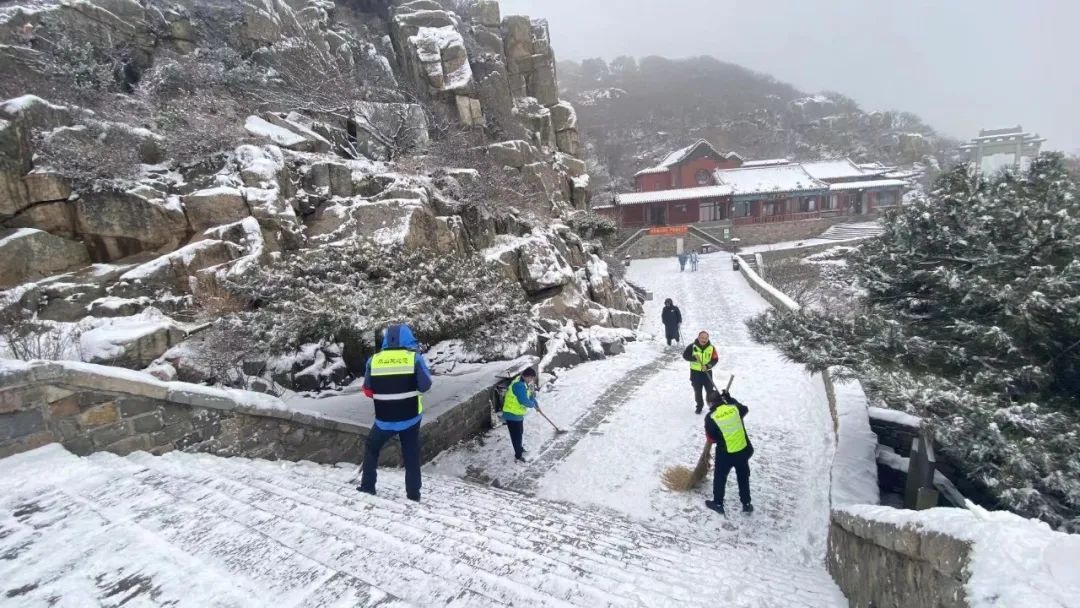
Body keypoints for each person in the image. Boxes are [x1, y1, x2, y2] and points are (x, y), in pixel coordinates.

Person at [358, 324, 433, 502]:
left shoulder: (373, 360)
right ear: (408, 339)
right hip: (410, 417)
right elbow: (426, 385)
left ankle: (368, 487)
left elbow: (368, 391)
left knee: (372, 448)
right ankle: (413, 496)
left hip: (384, 419)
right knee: (411, 455)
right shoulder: (414, 359)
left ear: (386, 340)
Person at [703, 389, 754, 515]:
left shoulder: (711, 417)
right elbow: (745, 409)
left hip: (725, 453)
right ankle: (746, 503)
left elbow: (712, 438)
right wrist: (730, 399)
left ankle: (718, 503)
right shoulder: (735, 408)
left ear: (710, 403)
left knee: (720, 478)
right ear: (722, 400)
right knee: (743, 477)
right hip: (742, 450)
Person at [501, 367, 539, 463]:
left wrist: (536, 405)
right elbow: (524, 401)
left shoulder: (523, 381)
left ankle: (520, 449)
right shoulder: (519, 385)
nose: (532, 380)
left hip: (517, 413)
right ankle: (518, 455)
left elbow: (529, 395)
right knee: (516, 436)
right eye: (531, 378)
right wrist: (532, 405)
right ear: (527, 376)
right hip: (511, 414)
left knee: (519, 433)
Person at [682, 331, 718, 414]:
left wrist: (708, 366)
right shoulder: (692, 346)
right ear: (698, 337)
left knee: (710, 391)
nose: (704, 340)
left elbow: (715, 359)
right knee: (698, 391)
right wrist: (694, 358)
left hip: (707, 372)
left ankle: (712, 406)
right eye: (702, 337)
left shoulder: (711, 348)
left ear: (708, 339)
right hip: (695, 373)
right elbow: (685, 356)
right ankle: (699, 406)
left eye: (706, 338)